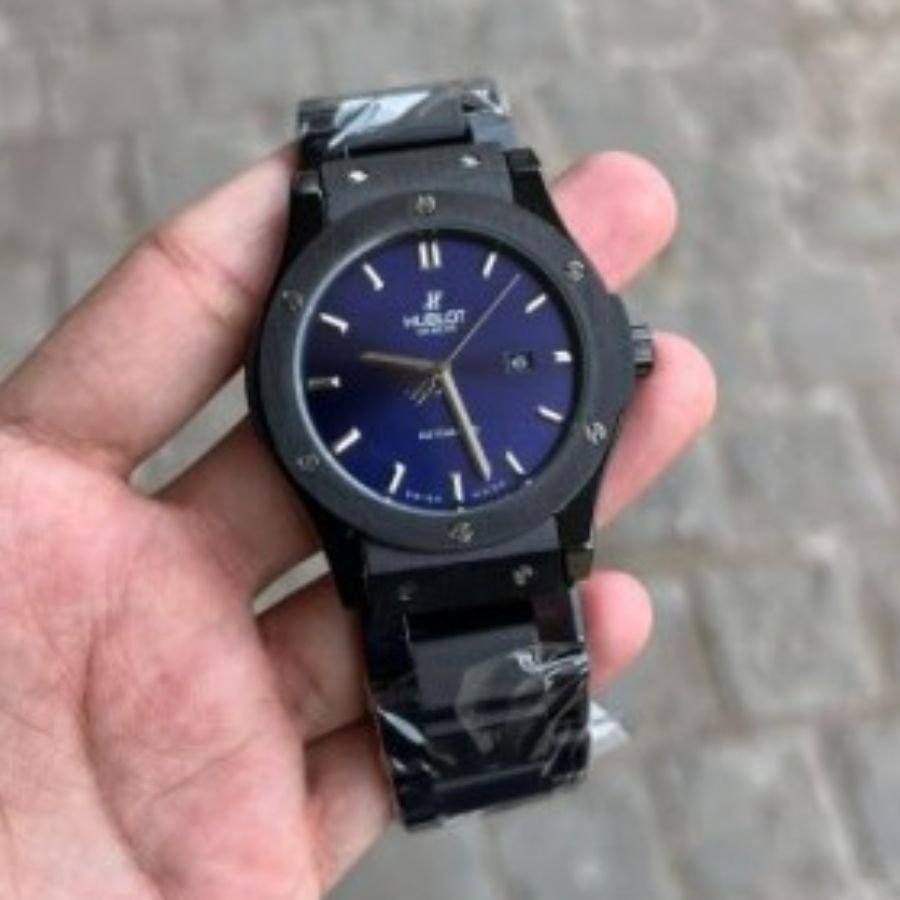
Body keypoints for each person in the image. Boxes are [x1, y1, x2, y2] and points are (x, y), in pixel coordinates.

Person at [0, 148, 715, 898]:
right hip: (399, 535)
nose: (440, 373)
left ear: (617, 354)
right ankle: (498, 752)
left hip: (497, 523)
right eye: (432, 372)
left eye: (445, 367)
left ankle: (505, 751)